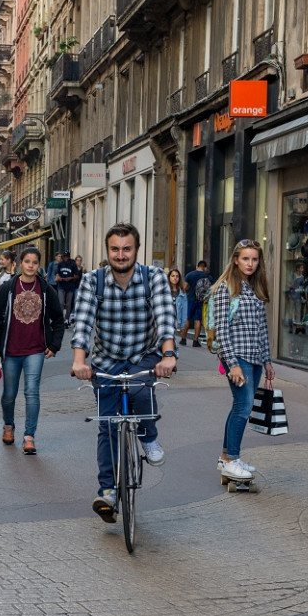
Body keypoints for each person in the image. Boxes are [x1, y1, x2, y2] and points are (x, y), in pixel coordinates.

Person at [69, 222, 177, 522]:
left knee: (143, 394)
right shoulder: (93, 281)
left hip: (144, 355)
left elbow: (165, 315)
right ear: (108, 251)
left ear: (136, 250)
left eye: (126, 248)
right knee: (107, 425)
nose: (120, 254)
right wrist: (80, 362)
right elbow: (83, 323)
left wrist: (168, 354)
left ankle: (148, 436)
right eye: (115, 249)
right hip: (106, 362)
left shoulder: (153, 277)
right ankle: (108, 491)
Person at [0, 246, 65, 455]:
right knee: (9, 394)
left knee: (32, 392)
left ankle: (29, 436)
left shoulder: (46, 290)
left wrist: (54, 344)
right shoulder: (8, 288)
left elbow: (58, 319)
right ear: (20, 263)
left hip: (36, 350)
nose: (31, 266)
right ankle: (8, 425)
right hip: (11, 350)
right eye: (27, 262)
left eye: (35, 262)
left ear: (39, 265)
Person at [209, 240, 274, 482]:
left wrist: (267, 360)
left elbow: (261, 328)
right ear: (236, 259)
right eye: (245, 259)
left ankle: (228, 457)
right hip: (237, 357)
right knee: (243, 407)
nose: (250, 263)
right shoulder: (226, 288)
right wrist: (232, 363)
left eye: (254, 259)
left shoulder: (254, 287)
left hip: (255, 357)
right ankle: (231, 460)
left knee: (240, 407)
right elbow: (222, 331)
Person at [182, 260, 214, 346]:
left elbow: (184, 287)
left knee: (187, 319)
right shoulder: (208, 277)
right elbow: (211, 289)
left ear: (197, 266)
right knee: (198, 320)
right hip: (201, 301)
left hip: (190, 300)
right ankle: (195, 341)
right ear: (205, 267)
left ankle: (183, 339)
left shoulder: (190, 274)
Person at [55, 252, 80, 325]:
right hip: (61, 285)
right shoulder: (60, 264)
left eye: (66, 257)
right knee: (61, 302)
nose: (65, 258)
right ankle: (60, 318)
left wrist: (71, 278)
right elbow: (57, 273)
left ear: (68, 257)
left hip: (70, 286)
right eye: (64, 256)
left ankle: (67, 319)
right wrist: (58, 277)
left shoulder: (72, 264)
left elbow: (77, 275)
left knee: (68, 304)